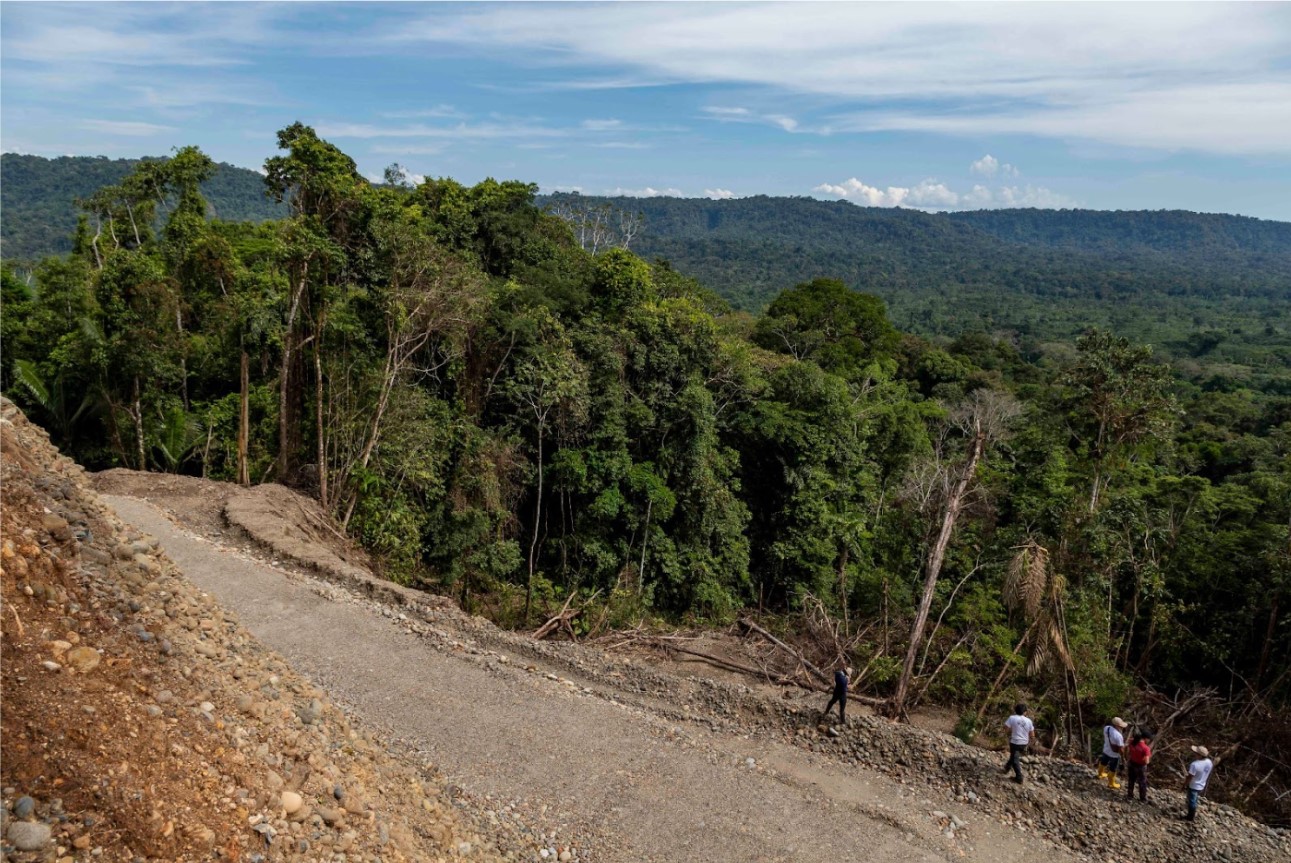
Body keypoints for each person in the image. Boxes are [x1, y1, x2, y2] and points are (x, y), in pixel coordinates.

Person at [1001, 703, 1035, 784]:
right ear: (1025, 712)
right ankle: (1007, 767)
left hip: (1015, 742)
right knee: (1014, 755)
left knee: (1015, 759)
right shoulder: (1029, 721)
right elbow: (1032, 734)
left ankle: (1019, 777)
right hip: (1024, 743)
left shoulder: (1012, 718)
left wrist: (1007, 732)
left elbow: (1005, 728)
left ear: (1015, 710)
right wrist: (1032, 741)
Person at [1183, 745, 1214, 821]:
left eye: (1196, 753)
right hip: (1202, 784)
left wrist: (1184, 784)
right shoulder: (1209, 762)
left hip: (1194, 785)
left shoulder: (1195, 764)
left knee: (1192, 801)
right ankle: (1191, 814)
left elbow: (1190, 776)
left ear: (1200, 755)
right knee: (1194, 799)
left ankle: (1190, 817)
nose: (1194, 754)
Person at [1097, 716, 1129, 789]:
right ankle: (1111, 783)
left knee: (1103, 762)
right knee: (1113, 768)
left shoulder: (1107, 728)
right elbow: (1121, 748)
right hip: (1114, 754)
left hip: (1106, 749)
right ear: (1118, 725)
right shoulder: (1118, 735)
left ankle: (1100, 774)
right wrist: (1123, 756)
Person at [1125, 730, 1153, 802]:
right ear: (1146, 738)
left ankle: (1129, 796)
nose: (1149, 741)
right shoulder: (1146, 748)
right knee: (1142, 782)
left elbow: (1128, 748)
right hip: (1140, 766)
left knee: (1131, 780)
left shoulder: (1132, 741)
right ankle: (1142, 798)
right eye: (1149, 739)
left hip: (1132, 763)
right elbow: (1147, 761)